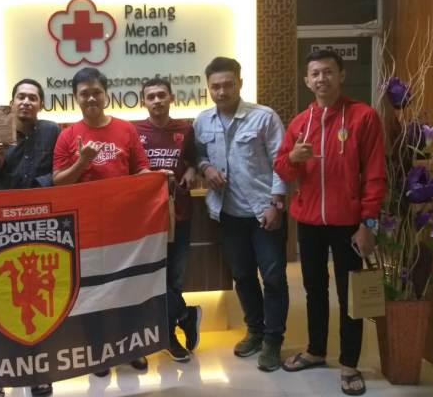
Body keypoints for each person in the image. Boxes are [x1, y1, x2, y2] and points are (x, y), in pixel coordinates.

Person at [274, 49, 386, 396]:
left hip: (349, 223)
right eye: (315, 74)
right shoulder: (299, 122)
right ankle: (316, 350)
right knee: (314, 290)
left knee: (350, 294)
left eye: (328, 72)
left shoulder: (363, 117)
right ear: (307, 81)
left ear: (341, 75)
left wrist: (368, 223)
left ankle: (349, 363)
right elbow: (281, 168)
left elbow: (375, 174)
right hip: (309, 222)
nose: (322, 78)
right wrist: (293, 158)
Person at [53, 67, 151, 376]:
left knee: (127, 287)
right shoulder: (67, 135)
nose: (91, 98)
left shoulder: (126, 130)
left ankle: (131, 347)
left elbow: (141, 169)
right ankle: (98, 351)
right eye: (84, 94)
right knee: (92, 291)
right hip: (85, 229)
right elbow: (58, 182)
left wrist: (156, 178)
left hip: (125, 227)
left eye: (96, 92)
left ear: (106, 94)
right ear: (76, 98)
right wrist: (82, 162)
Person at [194, 57, 289, 372]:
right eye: (215, 87)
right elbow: (197, 154)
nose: (222, 92)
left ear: (240, 83)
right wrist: (205, 167)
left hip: (264, 212)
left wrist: (276, 203)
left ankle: (273, 341)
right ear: (208, 88)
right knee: (243, 275)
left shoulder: (264, 117)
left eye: (228, 85)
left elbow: (282, 162)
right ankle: (256, 331)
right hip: (228, 214)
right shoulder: (202, 121)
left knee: (273, 277)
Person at [0, 78, 60, 397]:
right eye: (20, 97)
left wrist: (36, 188)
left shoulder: (52, 131)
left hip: (41, 226)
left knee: (38, 300)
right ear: (11, 102)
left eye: (32, 97)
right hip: (1, 228)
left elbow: (60, 171)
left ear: (41, 104)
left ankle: (38, 372)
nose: (26, 102)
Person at [134, 78, 202, 363]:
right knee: (153, 279)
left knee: (174, 277)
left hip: (180, 214)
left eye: (162, 95)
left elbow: (196, 160)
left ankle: (169, 332)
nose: (157, 100)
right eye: (151, 96)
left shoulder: (185, 129)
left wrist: (193, 169)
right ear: (143, 101)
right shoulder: (134, 131)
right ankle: (185, 316)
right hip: (147, 219)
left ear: (171, 98)